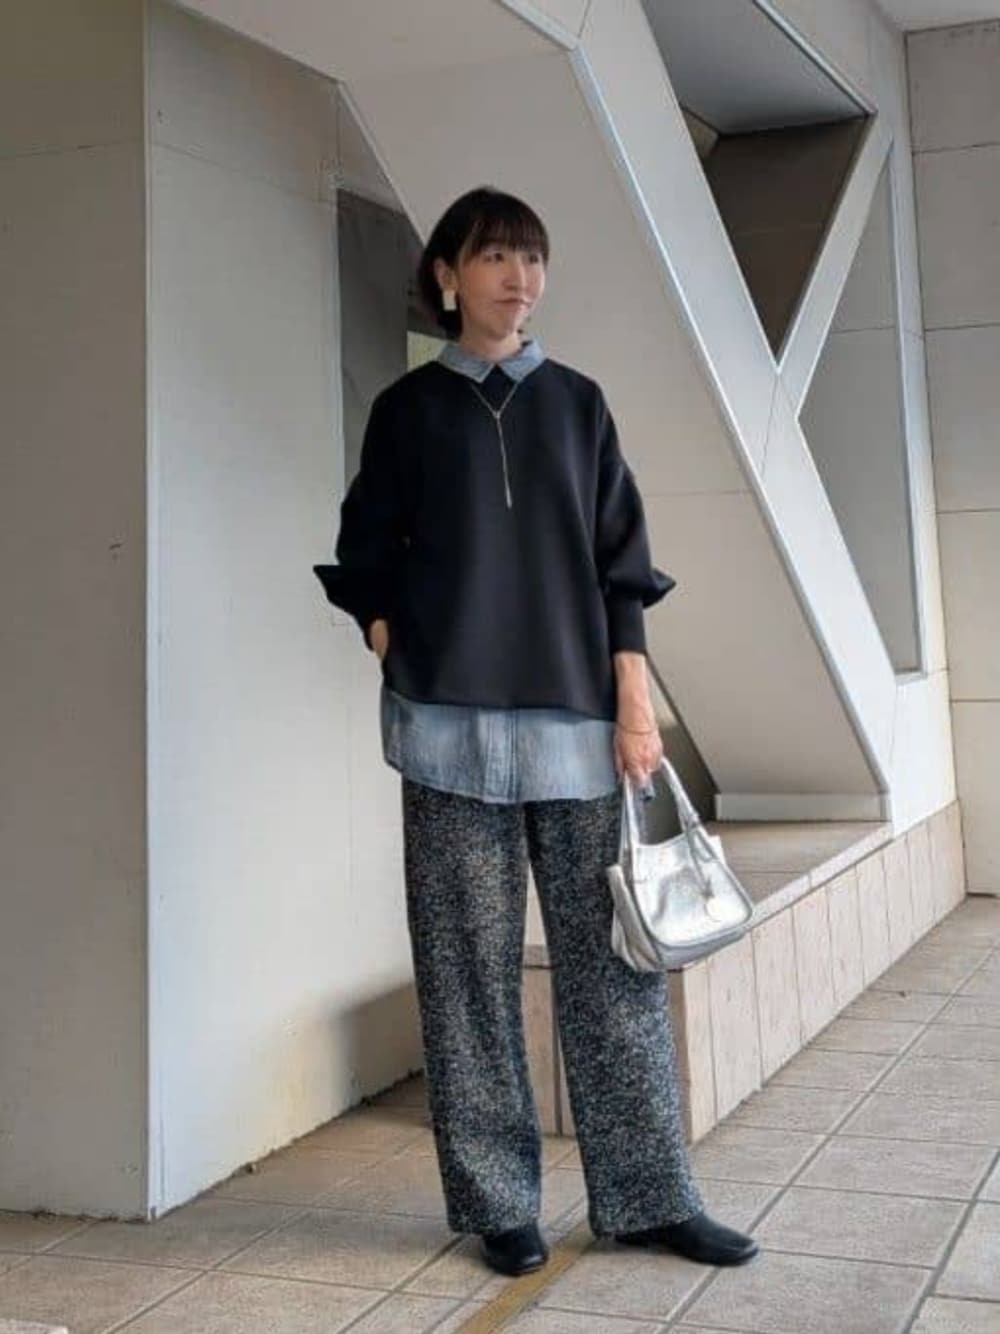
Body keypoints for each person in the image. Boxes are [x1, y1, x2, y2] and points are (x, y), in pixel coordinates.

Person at [314, 187, 758, 1277]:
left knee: (613, 970)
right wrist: (388, 635)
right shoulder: (407, 410)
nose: (519, 278)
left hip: (576, 730)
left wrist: (634, 703)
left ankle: (648, 1197)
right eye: (496, 257)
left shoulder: (579, 404)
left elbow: (622, 565)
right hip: (447, 733)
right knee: (465, 973)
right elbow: (365, 545)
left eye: (532, 259)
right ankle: (497, 1202)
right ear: (447, 275)